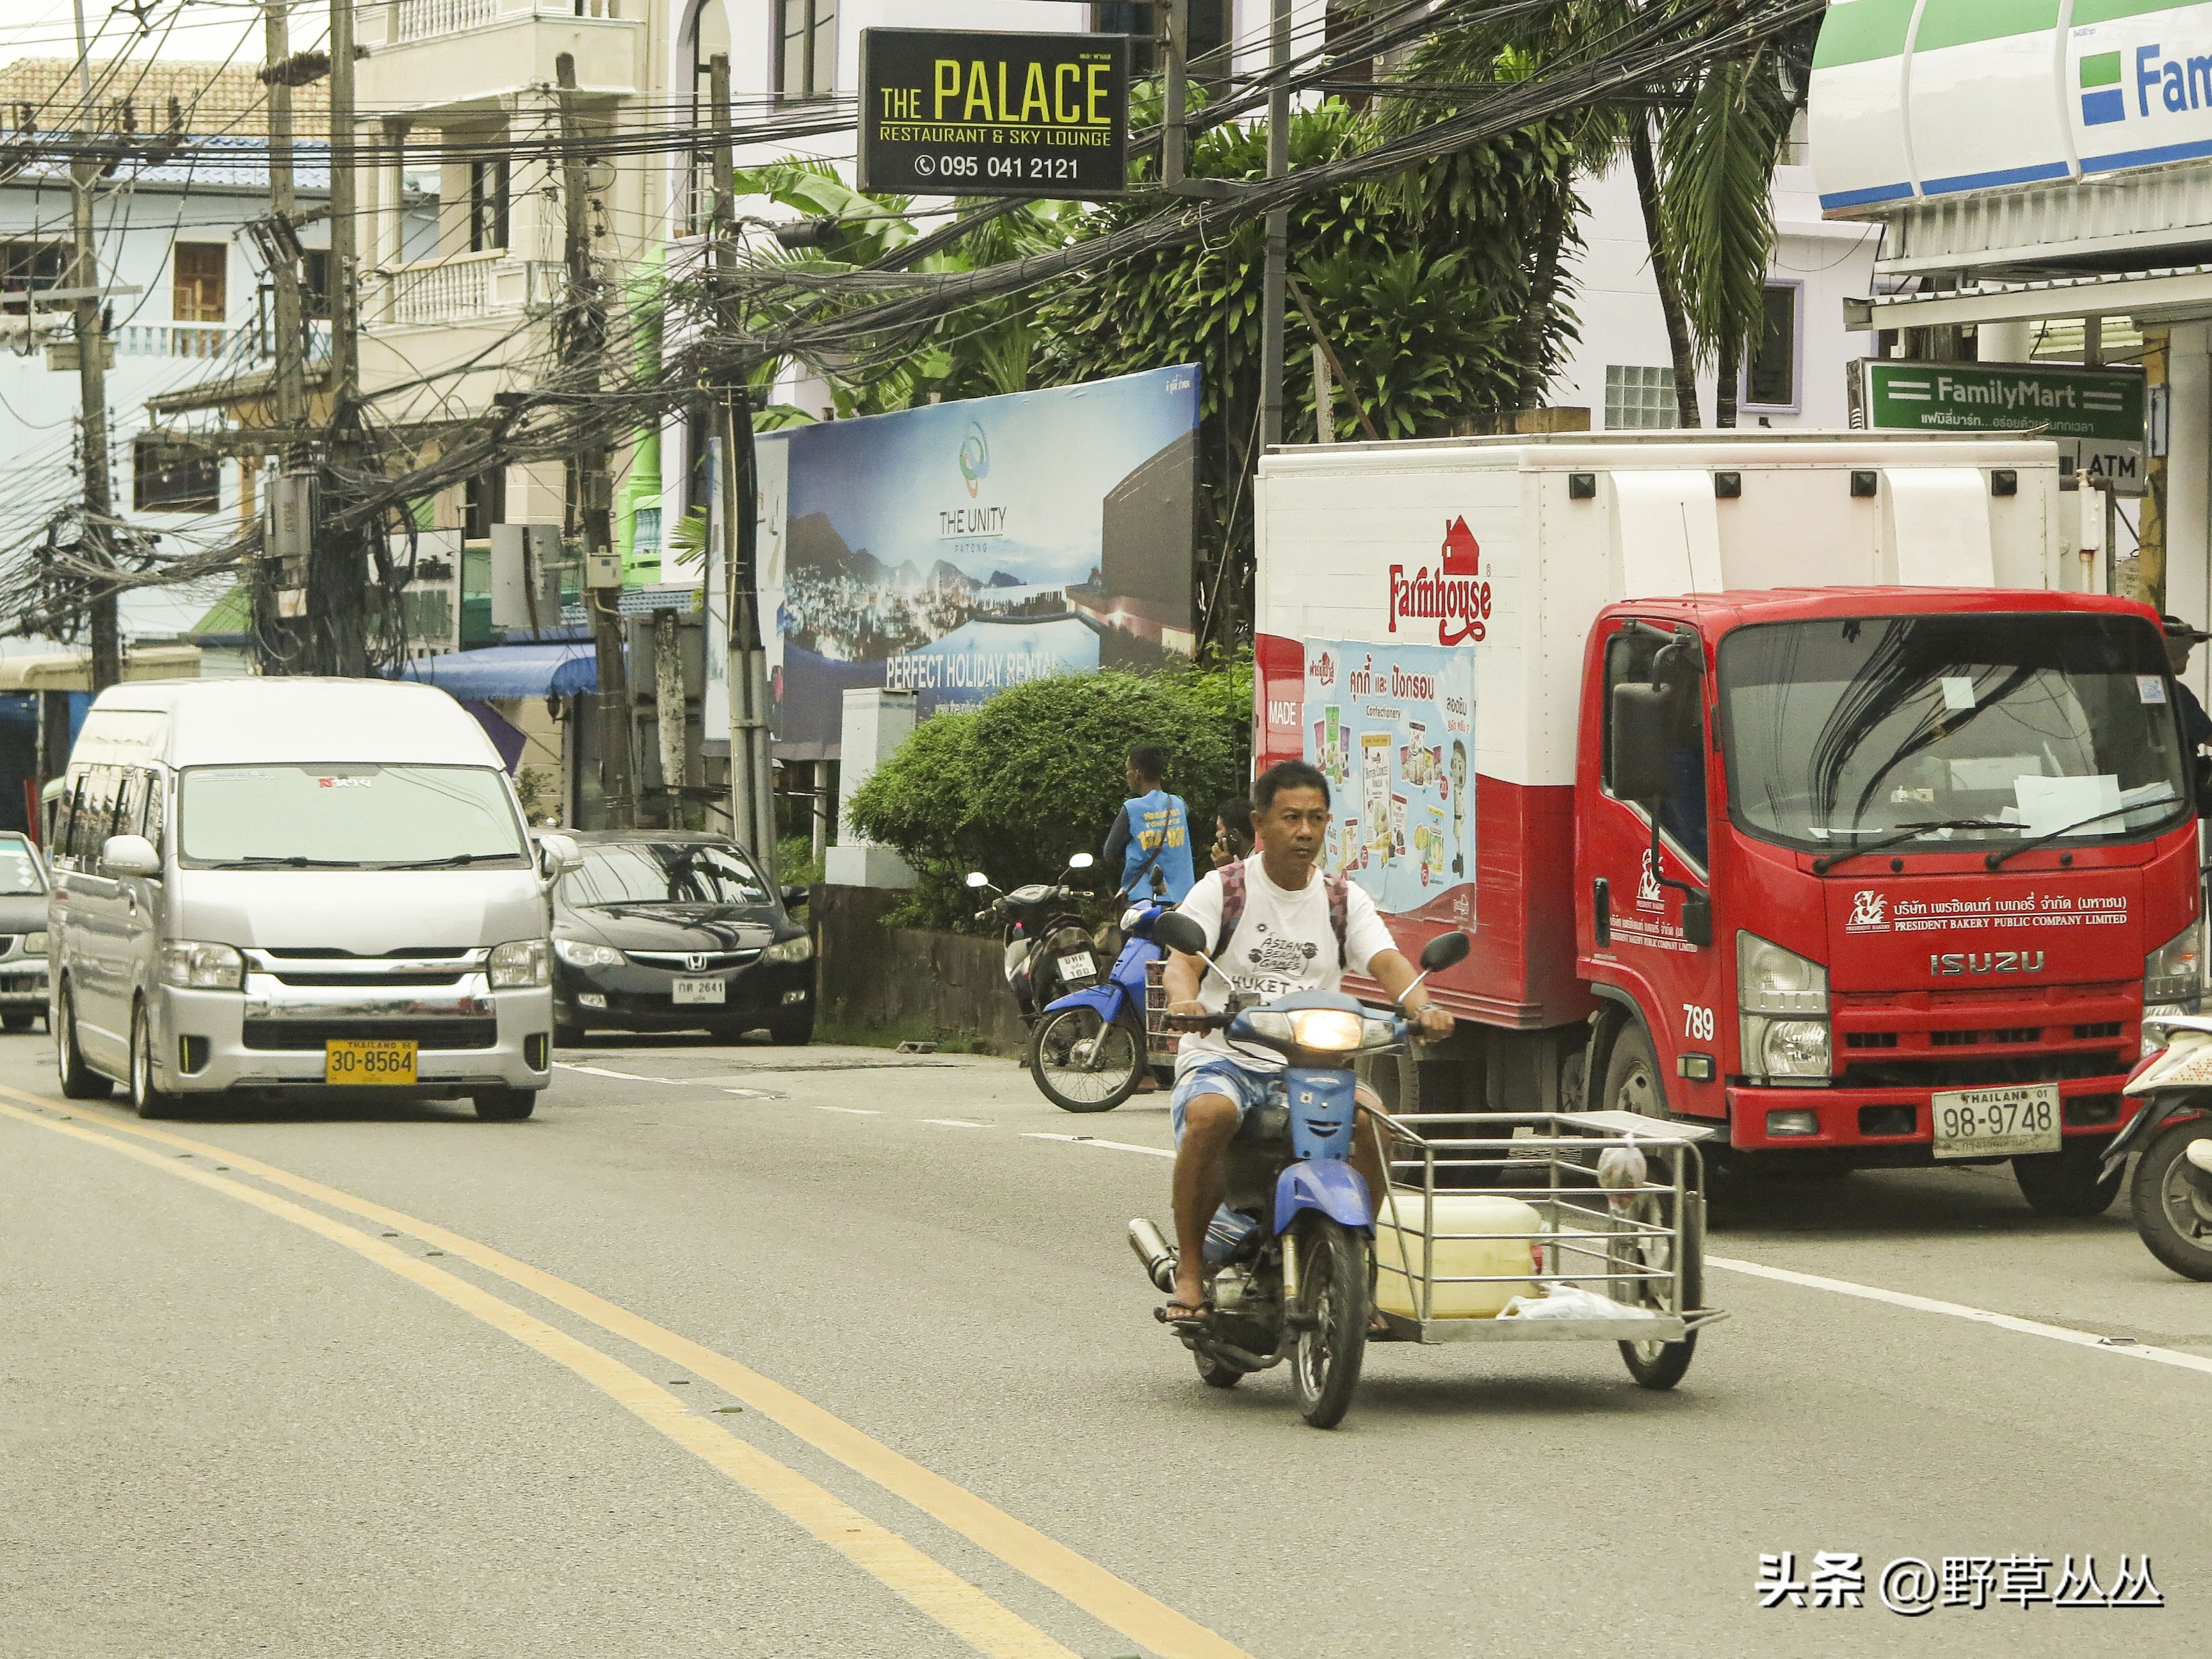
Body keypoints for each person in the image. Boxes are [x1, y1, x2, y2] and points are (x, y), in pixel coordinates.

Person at [1157, 759, 1453, 1325]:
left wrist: (1422, 1006)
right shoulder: (1224, 888)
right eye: (1291, 817)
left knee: (1374, 1123)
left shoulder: (1342, 899)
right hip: (1226, 1056)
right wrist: (1185, 1001)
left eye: (1316, 818)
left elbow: (1387, 960)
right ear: (1259, 823)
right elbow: (1182, 962)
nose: (1305, 831)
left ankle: (1356, 1261)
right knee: (1210, 1115)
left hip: (1315, 1063)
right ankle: (1190, 1270)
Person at [1102, 743, 1197, 902]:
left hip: (1146, 901)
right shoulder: (1179, 805)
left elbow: (1109, 853)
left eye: (1127, 769)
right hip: (1184, 900)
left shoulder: (1132, 809)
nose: (1126, 774)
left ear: (1138, 774)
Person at [2162, 615, 2212, 752]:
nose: (2188, 656)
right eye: (2185, 651)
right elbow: (2209, 737)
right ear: (2173, 653)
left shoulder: (2130, 686)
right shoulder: (2174, 692)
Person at [1209, 795, 1254, 870]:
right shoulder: (1238, 860)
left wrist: (1226, 869)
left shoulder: (1256, 862)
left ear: (1233, 835)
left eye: (1219, 829)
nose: (1217, 835)